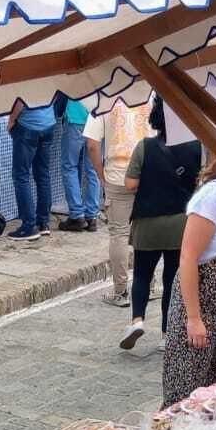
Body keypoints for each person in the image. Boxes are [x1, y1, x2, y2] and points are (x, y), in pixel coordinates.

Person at [162, 141, 216, 408]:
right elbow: (188, 257)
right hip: (201, 312)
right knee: (186, 396)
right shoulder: (215, 194)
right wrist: (193, 318)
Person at [121, 96, 200, 349]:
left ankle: (137, 320)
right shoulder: (196, 148)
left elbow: (130, 183)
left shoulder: (144, 147)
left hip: (147, 223)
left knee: (142, 275)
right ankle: (167, 334)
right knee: (172, 280)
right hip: (180, 224)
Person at [84, 99, 151, 307]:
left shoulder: (104, 99)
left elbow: (92, 144)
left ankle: (121, 291)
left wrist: (101, 175)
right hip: (148, 172)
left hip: (117, 174)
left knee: (119, 234)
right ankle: (149, 285)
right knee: (146, 230)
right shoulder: (148, 95)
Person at [6, 98, 57, 242]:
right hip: (48, 122)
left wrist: (11, 120)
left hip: (28, 125)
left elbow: (21, 100)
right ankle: (43, 222)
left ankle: (28, 226)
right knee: (43, 175)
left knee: (21, 176)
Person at [58, 97, 100, 232]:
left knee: (69, 167)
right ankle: (92, 216)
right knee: (93, 169)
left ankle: (77, 215)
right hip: (97, 117)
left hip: (76, 116)